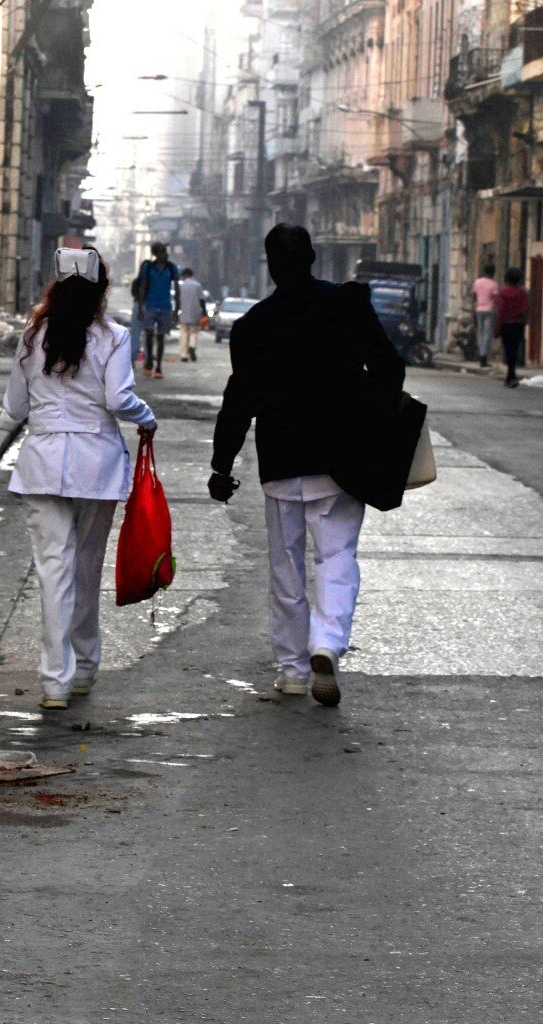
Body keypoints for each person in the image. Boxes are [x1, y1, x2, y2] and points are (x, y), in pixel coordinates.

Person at [209, 224, 403, 706]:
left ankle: (294, 670)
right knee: (336, 558)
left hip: (281, 460)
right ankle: (327, 643)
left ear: (269, 264)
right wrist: (368, 416)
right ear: (314, 257)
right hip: (340, 460)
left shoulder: (253, 324)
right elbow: (389, 368)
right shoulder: (347, 304)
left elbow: (239, 400)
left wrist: (221, 463)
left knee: (286, 568)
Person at [3, 247, 156, 710]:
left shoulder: (33, 334)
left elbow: (14, 407)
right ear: (101, 290)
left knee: (54, 573)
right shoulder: (113, 336)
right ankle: (86, 667)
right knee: (86, 570)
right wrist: (146, 418)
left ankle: (54, 681)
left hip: (43, 462)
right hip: (97, 465)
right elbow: (118, 398)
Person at [129, 242, 179, 379]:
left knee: (161, 337)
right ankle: (149, 361)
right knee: (149, 334)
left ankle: (158, 367)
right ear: (156, 253)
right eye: (163, 251)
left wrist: (177, 308)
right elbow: (142, 287)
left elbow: (176, 287)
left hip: (165, 307)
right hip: (149, 305)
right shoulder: (148, 267)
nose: (166, 253)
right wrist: (140, 307)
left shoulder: (171, 267)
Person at [496, 266, 529, 388]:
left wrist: (497, 328)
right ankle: (511, 376)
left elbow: (501, 311)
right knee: (514, 350)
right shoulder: (522, 293)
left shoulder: (503, 293)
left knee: (508, 350)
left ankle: (511, 376)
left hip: (506, 325)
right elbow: (525, 309)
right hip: (518, 324)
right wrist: (524, 321)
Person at [176, 266, 206, 363]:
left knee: (184, 334)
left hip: (184, 313)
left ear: (185, 275)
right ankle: (192, 347)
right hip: (195, 313)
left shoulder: (182, 285)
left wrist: (176, 311)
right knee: (193, 332)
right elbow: (202, 300)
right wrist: (204, 312)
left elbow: (177, 300)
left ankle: (184, 355)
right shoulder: (197, 285)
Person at [471, 263, 498, 364]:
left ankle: (480, 352)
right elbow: (495, 297)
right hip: (489, 310)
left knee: (480, 332)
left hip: (479, 309)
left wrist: (475, 304)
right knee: (487, 334)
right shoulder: (493, 284)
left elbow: (474, 295)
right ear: (492, 273)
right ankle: (483, 356)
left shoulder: (477, 282)